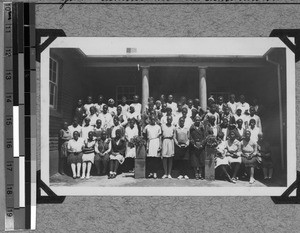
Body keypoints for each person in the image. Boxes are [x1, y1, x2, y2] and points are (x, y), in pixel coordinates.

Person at [189, 115, 206, 180]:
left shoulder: (202, 128)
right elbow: (190, 137)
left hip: (201, 146)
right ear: (194, 120)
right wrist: (194, 144)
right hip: (194, 146)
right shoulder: (192, 128)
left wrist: (202, 144)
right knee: (195, 160)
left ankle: (200, 174)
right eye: (196, 120)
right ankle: (196, 173)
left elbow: (205, 137)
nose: (197, 121)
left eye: (198, 120)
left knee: (201, 160)